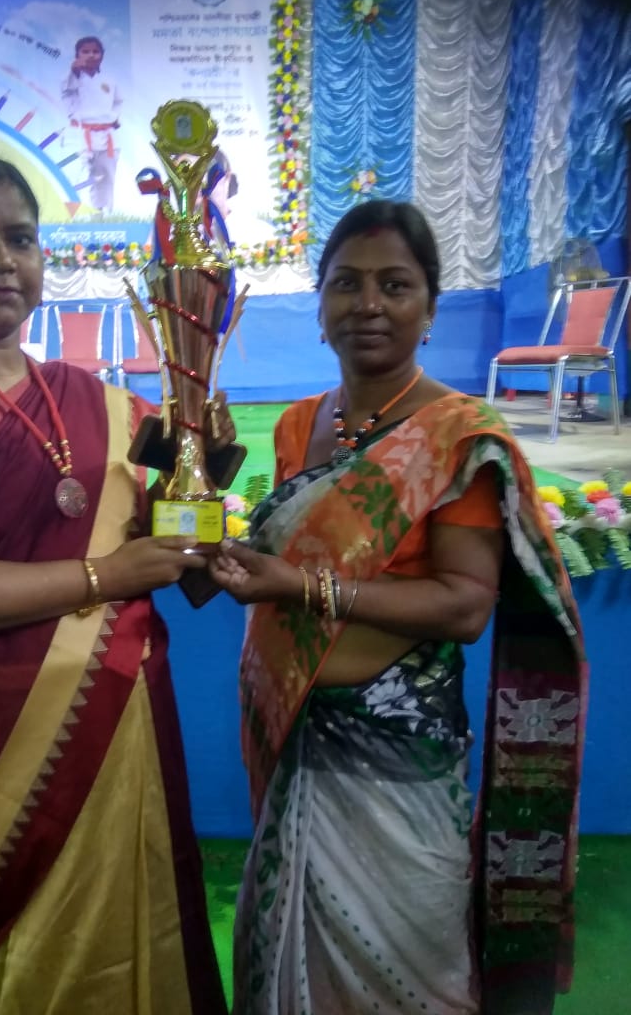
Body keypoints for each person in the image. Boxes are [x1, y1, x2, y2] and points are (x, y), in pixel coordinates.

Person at [0, 149, 229, 1014]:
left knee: (135, 955)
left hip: (117, 726)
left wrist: (201, 507)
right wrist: (105, 574)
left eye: (20, 238)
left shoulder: (99, 400)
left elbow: (169, 526)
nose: (1, 260)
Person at [208, 200, 586, 1015]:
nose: (368, 304)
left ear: (429, 308)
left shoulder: (457, 435)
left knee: (412, 966)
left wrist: (300, 588)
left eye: (394, 284)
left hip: (399, 758)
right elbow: (288, 548)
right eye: (346, 284)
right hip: (294, 730)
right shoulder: (300, 424)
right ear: (319, 307)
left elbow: (464, 606)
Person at [61, 36, 122, 214]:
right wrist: (74, 70)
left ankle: (102, 213)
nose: (91, 55)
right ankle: (70, 215)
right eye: (85, 51)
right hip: (80, 134)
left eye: (95, 51)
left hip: (107, 135)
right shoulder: (70, 79)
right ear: (77, 55)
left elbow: (118, 102)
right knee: (75, 175)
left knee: (106, 176)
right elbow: (67, 90)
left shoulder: (110, 80)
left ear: (102, 55)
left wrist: (115, 119)